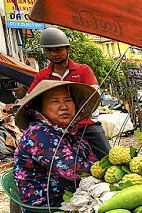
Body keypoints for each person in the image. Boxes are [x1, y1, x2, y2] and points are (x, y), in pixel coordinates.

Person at [13, 80, 105, 213]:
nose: (64, 106)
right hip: (48, 212)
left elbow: (92, 161)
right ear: (40, 108)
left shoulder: (68, 132)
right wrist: (109, 169)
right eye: (55, 101)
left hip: (75, 198)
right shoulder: (39, 134)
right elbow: (72, 170)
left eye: (68, 100)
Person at [28, 27, 110, 157]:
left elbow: (94, 95)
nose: (54, 53)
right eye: (49, 50)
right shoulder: (42, 76)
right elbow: (29, 99)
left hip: (84, 124)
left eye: (58, 49)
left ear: (67, 49)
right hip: (54, 128)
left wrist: (80, 115)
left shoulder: (83, 70)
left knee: (107, 156)